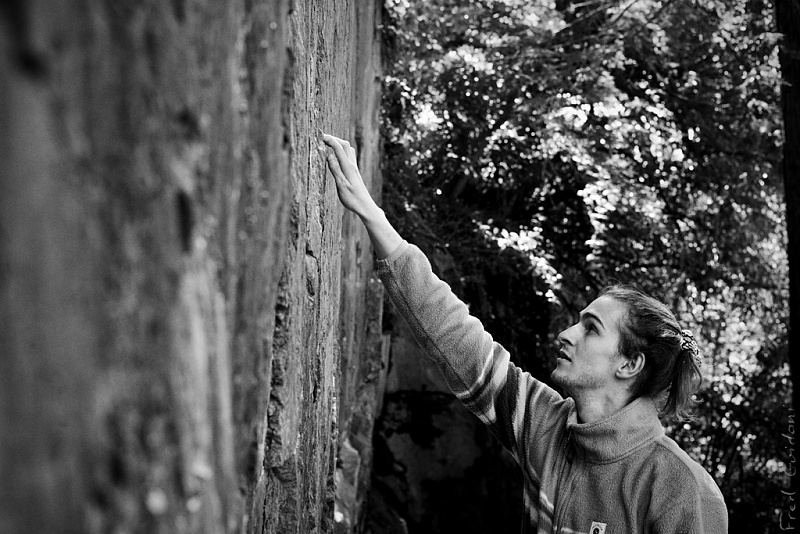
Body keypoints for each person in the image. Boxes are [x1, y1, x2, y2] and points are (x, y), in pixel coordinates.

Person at [322, 133, 728, 533]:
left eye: (591, 329)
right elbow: (455, 336)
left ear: (630, 363)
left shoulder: (682, 491)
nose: (567, 334)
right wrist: (371, 214)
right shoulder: (544, 426)